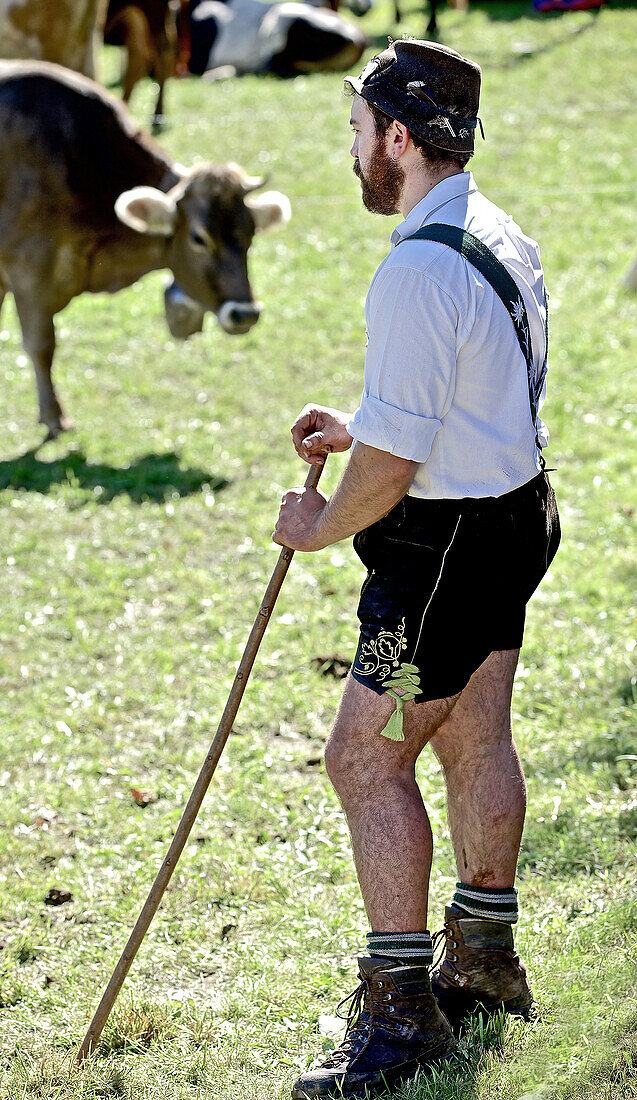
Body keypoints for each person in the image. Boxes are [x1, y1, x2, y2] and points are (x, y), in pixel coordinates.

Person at [272, 38, 561, 1099]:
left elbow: (394, 468)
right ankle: (483, 958)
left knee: (365, 760)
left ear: (398, 136)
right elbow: (473, 392)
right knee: (478, 733)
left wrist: (317, 523)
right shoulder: (497, 234)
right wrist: (364, 424)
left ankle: (400, 1015)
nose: (352, 153)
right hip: (514, 517)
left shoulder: (414, 265)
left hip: (437, 551)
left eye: (356, 132)